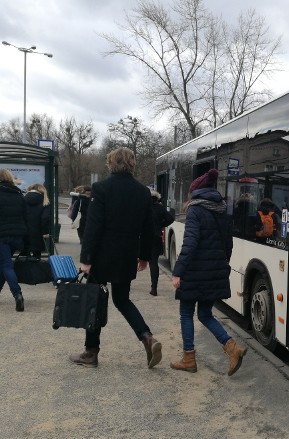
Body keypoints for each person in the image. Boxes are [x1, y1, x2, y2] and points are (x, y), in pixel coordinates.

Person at [69, 147, 162, 369]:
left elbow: (93, 227)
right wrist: (143, 257)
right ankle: (147, 337)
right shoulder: (142, 192)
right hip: (126, 256)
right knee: (122, 300)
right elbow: (148, 229)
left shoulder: (101, 189)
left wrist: (86, 259)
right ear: (132, 164)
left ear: (111, 163)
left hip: (101, 257)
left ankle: (91, 353)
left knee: (95, 300)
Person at [170, 168, 247, 376]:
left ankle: (188, 359)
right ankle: (232, 348)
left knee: (186, 313)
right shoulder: (222, 209)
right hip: (214, 271)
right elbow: (228, 244)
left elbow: (190, 244)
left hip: (195, 272)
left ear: (196, 192)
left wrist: (178, 271)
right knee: (205, 314)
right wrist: (220, 265)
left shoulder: (195, 209)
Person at [0, 169, 27, 311]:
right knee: (4, 264)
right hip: (16, 235)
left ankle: (17, 294)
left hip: (2, 235)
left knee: (6, 266)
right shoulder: (18, 194)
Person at [148, 189, 174, 296]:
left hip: (144, 238)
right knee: (153, 262)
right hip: (156, 237)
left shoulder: (143, 207)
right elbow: (170, 218)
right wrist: (160, 224)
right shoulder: (160, 208)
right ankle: (154, 288)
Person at [21, 183, 51, 259]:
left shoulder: (22, 199)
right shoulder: (45, 201)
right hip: (38, 232)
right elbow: (45, 218)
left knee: (24, 256)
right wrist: (45, 232)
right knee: (37, 256)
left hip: (23, 232)